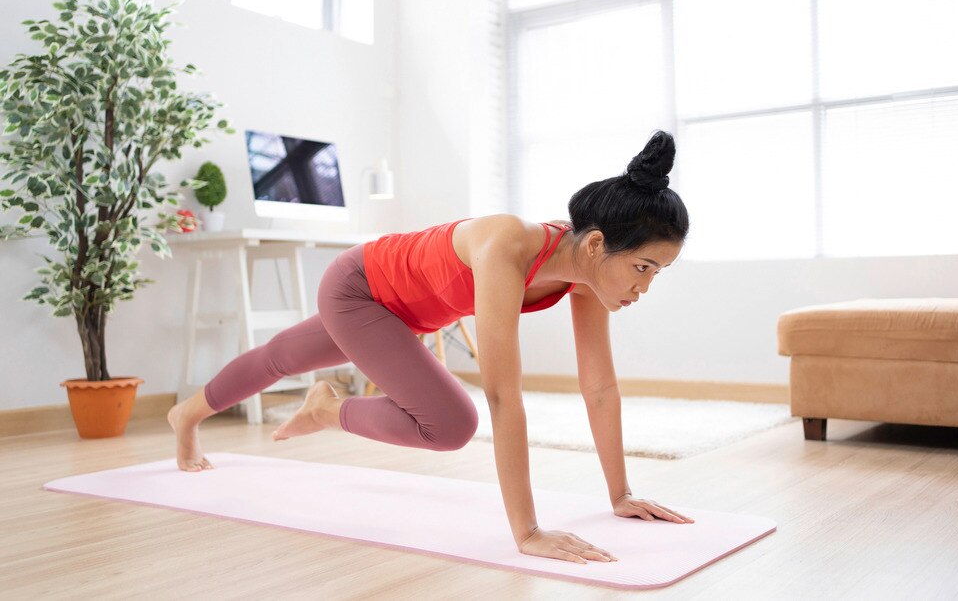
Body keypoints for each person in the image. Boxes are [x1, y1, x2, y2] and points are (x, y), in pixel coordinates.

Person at [168, 129, 694, 565]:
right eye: (642, 267)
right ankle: (322, 410)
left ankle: (184, 416)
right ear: (598, 244)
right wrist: (528, 532)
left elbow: (598, 388)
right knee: (450, 423)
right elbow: (503, 397)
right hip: (358, 288)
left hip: (402, 315)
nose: (644, 286)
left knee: (282, 355)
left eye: (658, 272)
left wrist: (620, 495)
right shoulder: (508, 244)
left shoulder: (586, 276)